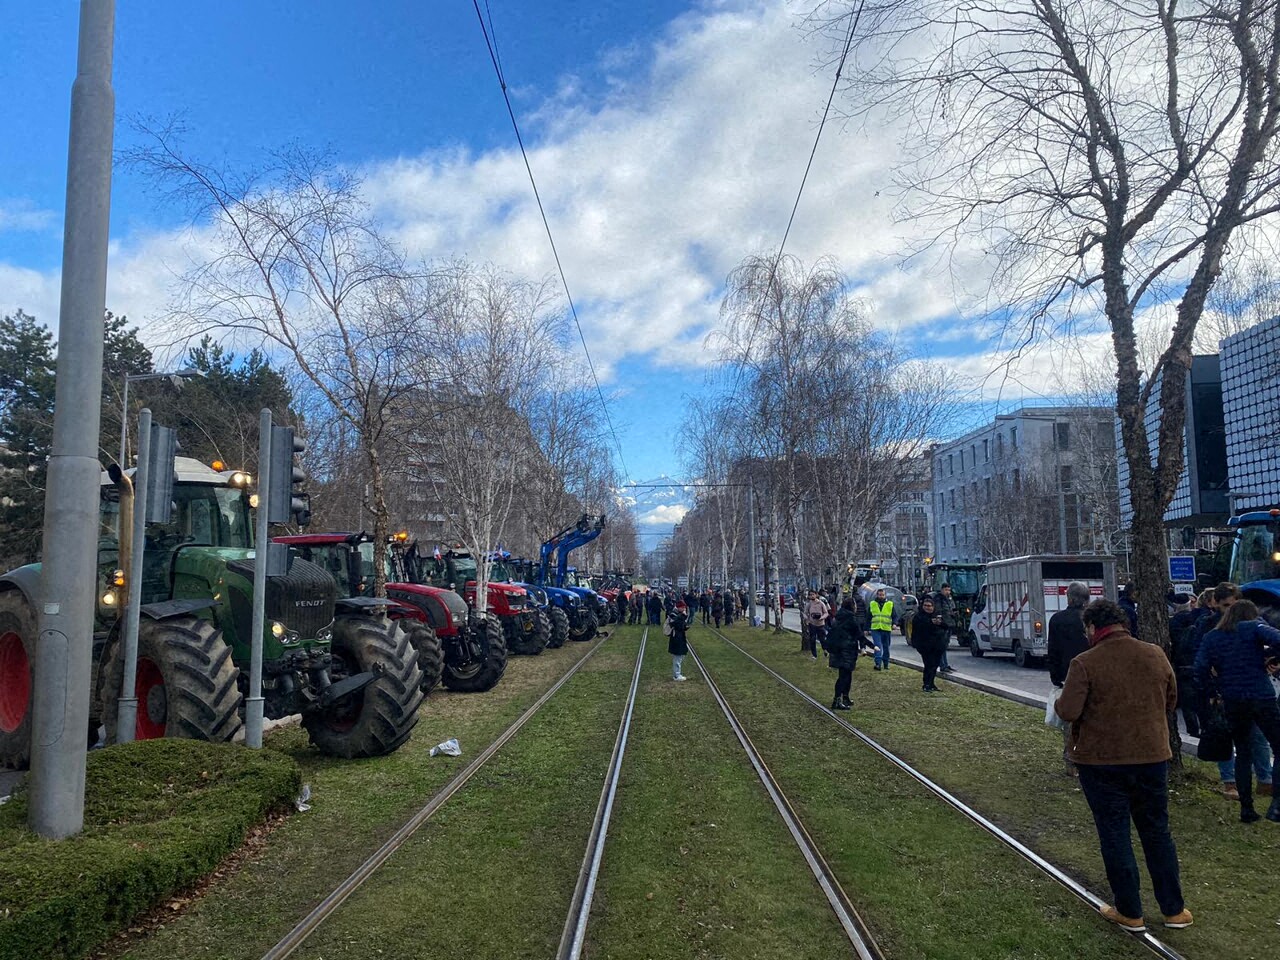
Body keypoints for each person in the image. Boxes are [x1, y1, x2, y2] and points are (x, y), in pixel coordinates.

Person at [1054, 599, 1190, 932]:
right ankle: (1174, 910)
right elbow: (1172, 699)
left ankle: (1130, 911)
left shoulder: (1085, 662)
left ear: (1091, 628)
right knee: (1157, 832)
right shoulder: (1154, 653)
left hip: (1102, 763)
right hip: (1152, 758)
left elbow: (1068, 711)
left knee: (1115, 833)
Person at [1195, 599, 1280, 823]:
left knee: (1243, 752)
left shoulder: (1212, 637)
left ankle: (1247, 809)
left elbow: (1200, 667)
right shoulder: (1254, 628)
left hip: (1233, 699)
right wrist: (1270, 656)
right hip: (1261, 696)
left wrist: (1213, 689)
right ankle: (1277, 804)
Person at [1047, 581, 1091, 775]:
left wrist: (1055, 677)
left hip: (1067, 675)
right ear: (1086, 599)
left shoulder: (1057, 619)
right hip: (1091, 675)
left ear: (1068, 597)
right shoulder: (1089, 620)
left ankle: (1070, 760)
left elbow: (1053, 651)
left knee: (1070, 720)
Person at [1168, 593, 1202, 738]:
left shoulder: (1173, 623)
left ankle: (1193, 730)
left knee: (1187, 701)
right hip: (1197, 662)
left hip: (1182, 665)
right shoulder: (1197, 619)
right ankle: (1206, 726)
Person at [825, 598, 860, 710]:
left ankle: (845, 697)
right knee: (844, 676)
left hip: (840, 651)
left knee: (846, 675)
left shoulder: (839, 617)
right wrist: (871, 646)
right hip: (845, 651)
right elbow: (859, 634)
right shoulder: (850, 618)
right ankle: (837, 700)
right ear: (852, 606)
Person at [911, 596, 949, 693]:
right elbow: (919, 629)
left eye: (930, 606)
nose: (928, 608)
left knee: (935, 665)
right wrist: (931, 623)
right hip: (925, 646)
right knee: (928, 665)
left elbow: (946, 626)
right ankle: (926, 684)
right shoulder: (919, 617)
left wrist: (939, 623)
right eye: (925, 605)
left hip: (938, 646)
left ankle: (931, 683)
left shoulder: (937, 615)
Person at [935, 583, 959, 673]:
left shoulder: (949, 599)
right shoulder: (938, 599)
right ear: (942, 590)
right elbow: (938, 611)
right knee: (941, 646)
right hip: (942, 625)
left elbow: (952, 608)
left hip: (949, 624)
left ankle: (945, 664)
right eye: (946, 590)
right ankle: (942, 665)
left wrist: (954, 614)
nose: (948, 592)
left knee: (945, 646)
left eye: (949, 590)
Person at [869, 587, 895, 672]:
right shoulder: (872, 604)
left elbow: (894, 615)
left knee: (886, 647)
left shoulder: (890, 604)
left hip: (886, 629)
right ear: (877, 595)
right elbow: (868, 616)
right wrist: (865, 628)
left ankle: (886, 663)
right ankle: (878, 663)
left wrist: (894, 623)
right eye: (880, 595)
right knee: (877, 645)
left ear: (885, 595)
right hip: (875, 628)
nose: (881, 596)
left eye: (882, 595)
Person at [667, 602, 690, 681]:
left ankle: (677, 673)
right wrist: (683, 616)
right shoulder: (674, 614)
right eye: (683, 608)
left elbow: (682, 625)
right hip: (676, 637)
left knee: (680, 656)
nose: (684, 609)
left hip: (679, 636)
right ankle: (677, 674)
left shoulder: (678, 614)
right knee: (677, 656)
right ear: (679, 607)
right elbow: (676, 624)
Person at [803, 589, 828, 661]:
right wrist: (807, 619)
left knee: (822, 639)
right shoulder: (809, 604)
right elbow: (805, 613)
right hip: (812, 624)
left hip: (820, 624)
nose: (811, 596)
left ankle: (825, 650)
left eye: (813, 594)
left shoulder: (821, 603)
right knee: (812, 639)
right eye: (810, 595)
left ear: (816, 595)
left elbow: (826, 613)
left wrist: (821, 618)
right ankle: (814, 655)